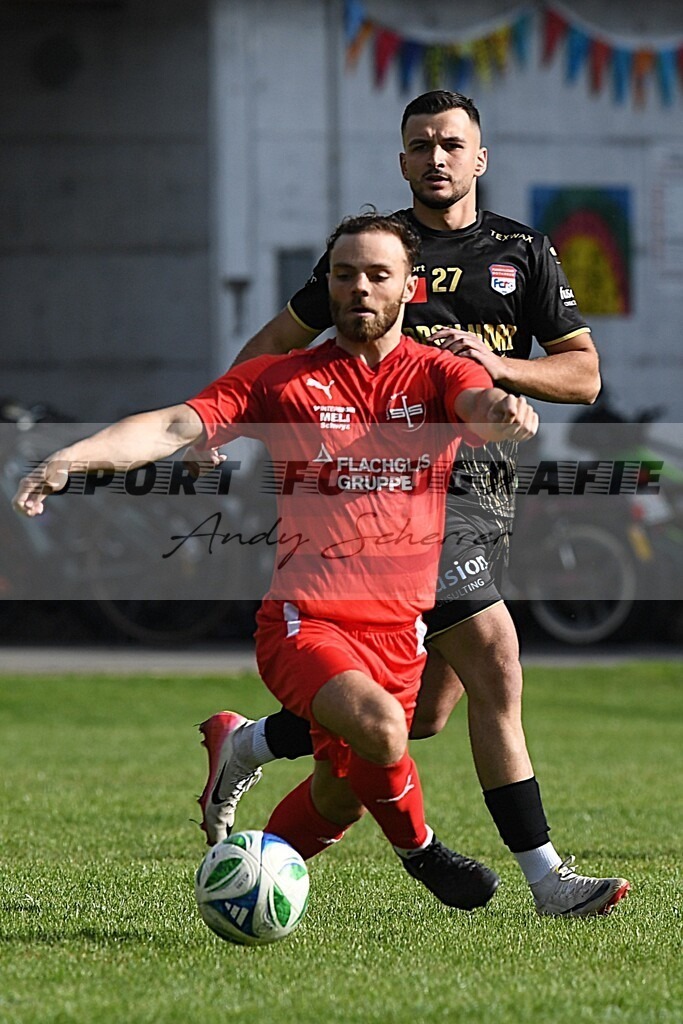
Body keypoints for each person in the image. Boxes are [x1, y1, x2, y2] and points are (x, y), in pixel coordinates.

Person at [14, 213, 539, 911]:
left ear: (409, 289)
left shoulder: (438, 373)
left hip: (398, 635)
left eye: (377, 275)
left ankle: (235, 885)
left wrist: (505, 410)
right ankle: (423, 854)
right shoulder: (282, 381)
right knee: (384, 729)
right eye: (344, 274)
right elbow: (172, 424)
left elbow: (479, 402)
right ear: (326, 285)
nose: (359, 288)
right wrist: (71, 459)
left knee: (340, 800)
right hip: (304, 623)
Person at [196, 91, 630, 917]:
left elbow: (583, 374)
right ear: (401, 160)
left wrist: (497, 370)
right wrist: (224, 418)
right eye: (419, 145)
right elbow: (274, 348)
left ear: (479, 157)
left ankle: (249, 741)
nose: (435, 157)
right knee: (497, 659)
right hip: (399, 505)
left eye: (450, 144)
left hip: (486, 498)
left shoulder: (519, 252)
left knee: (421, 716)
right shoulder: (374, 257)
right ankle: (546, 880)